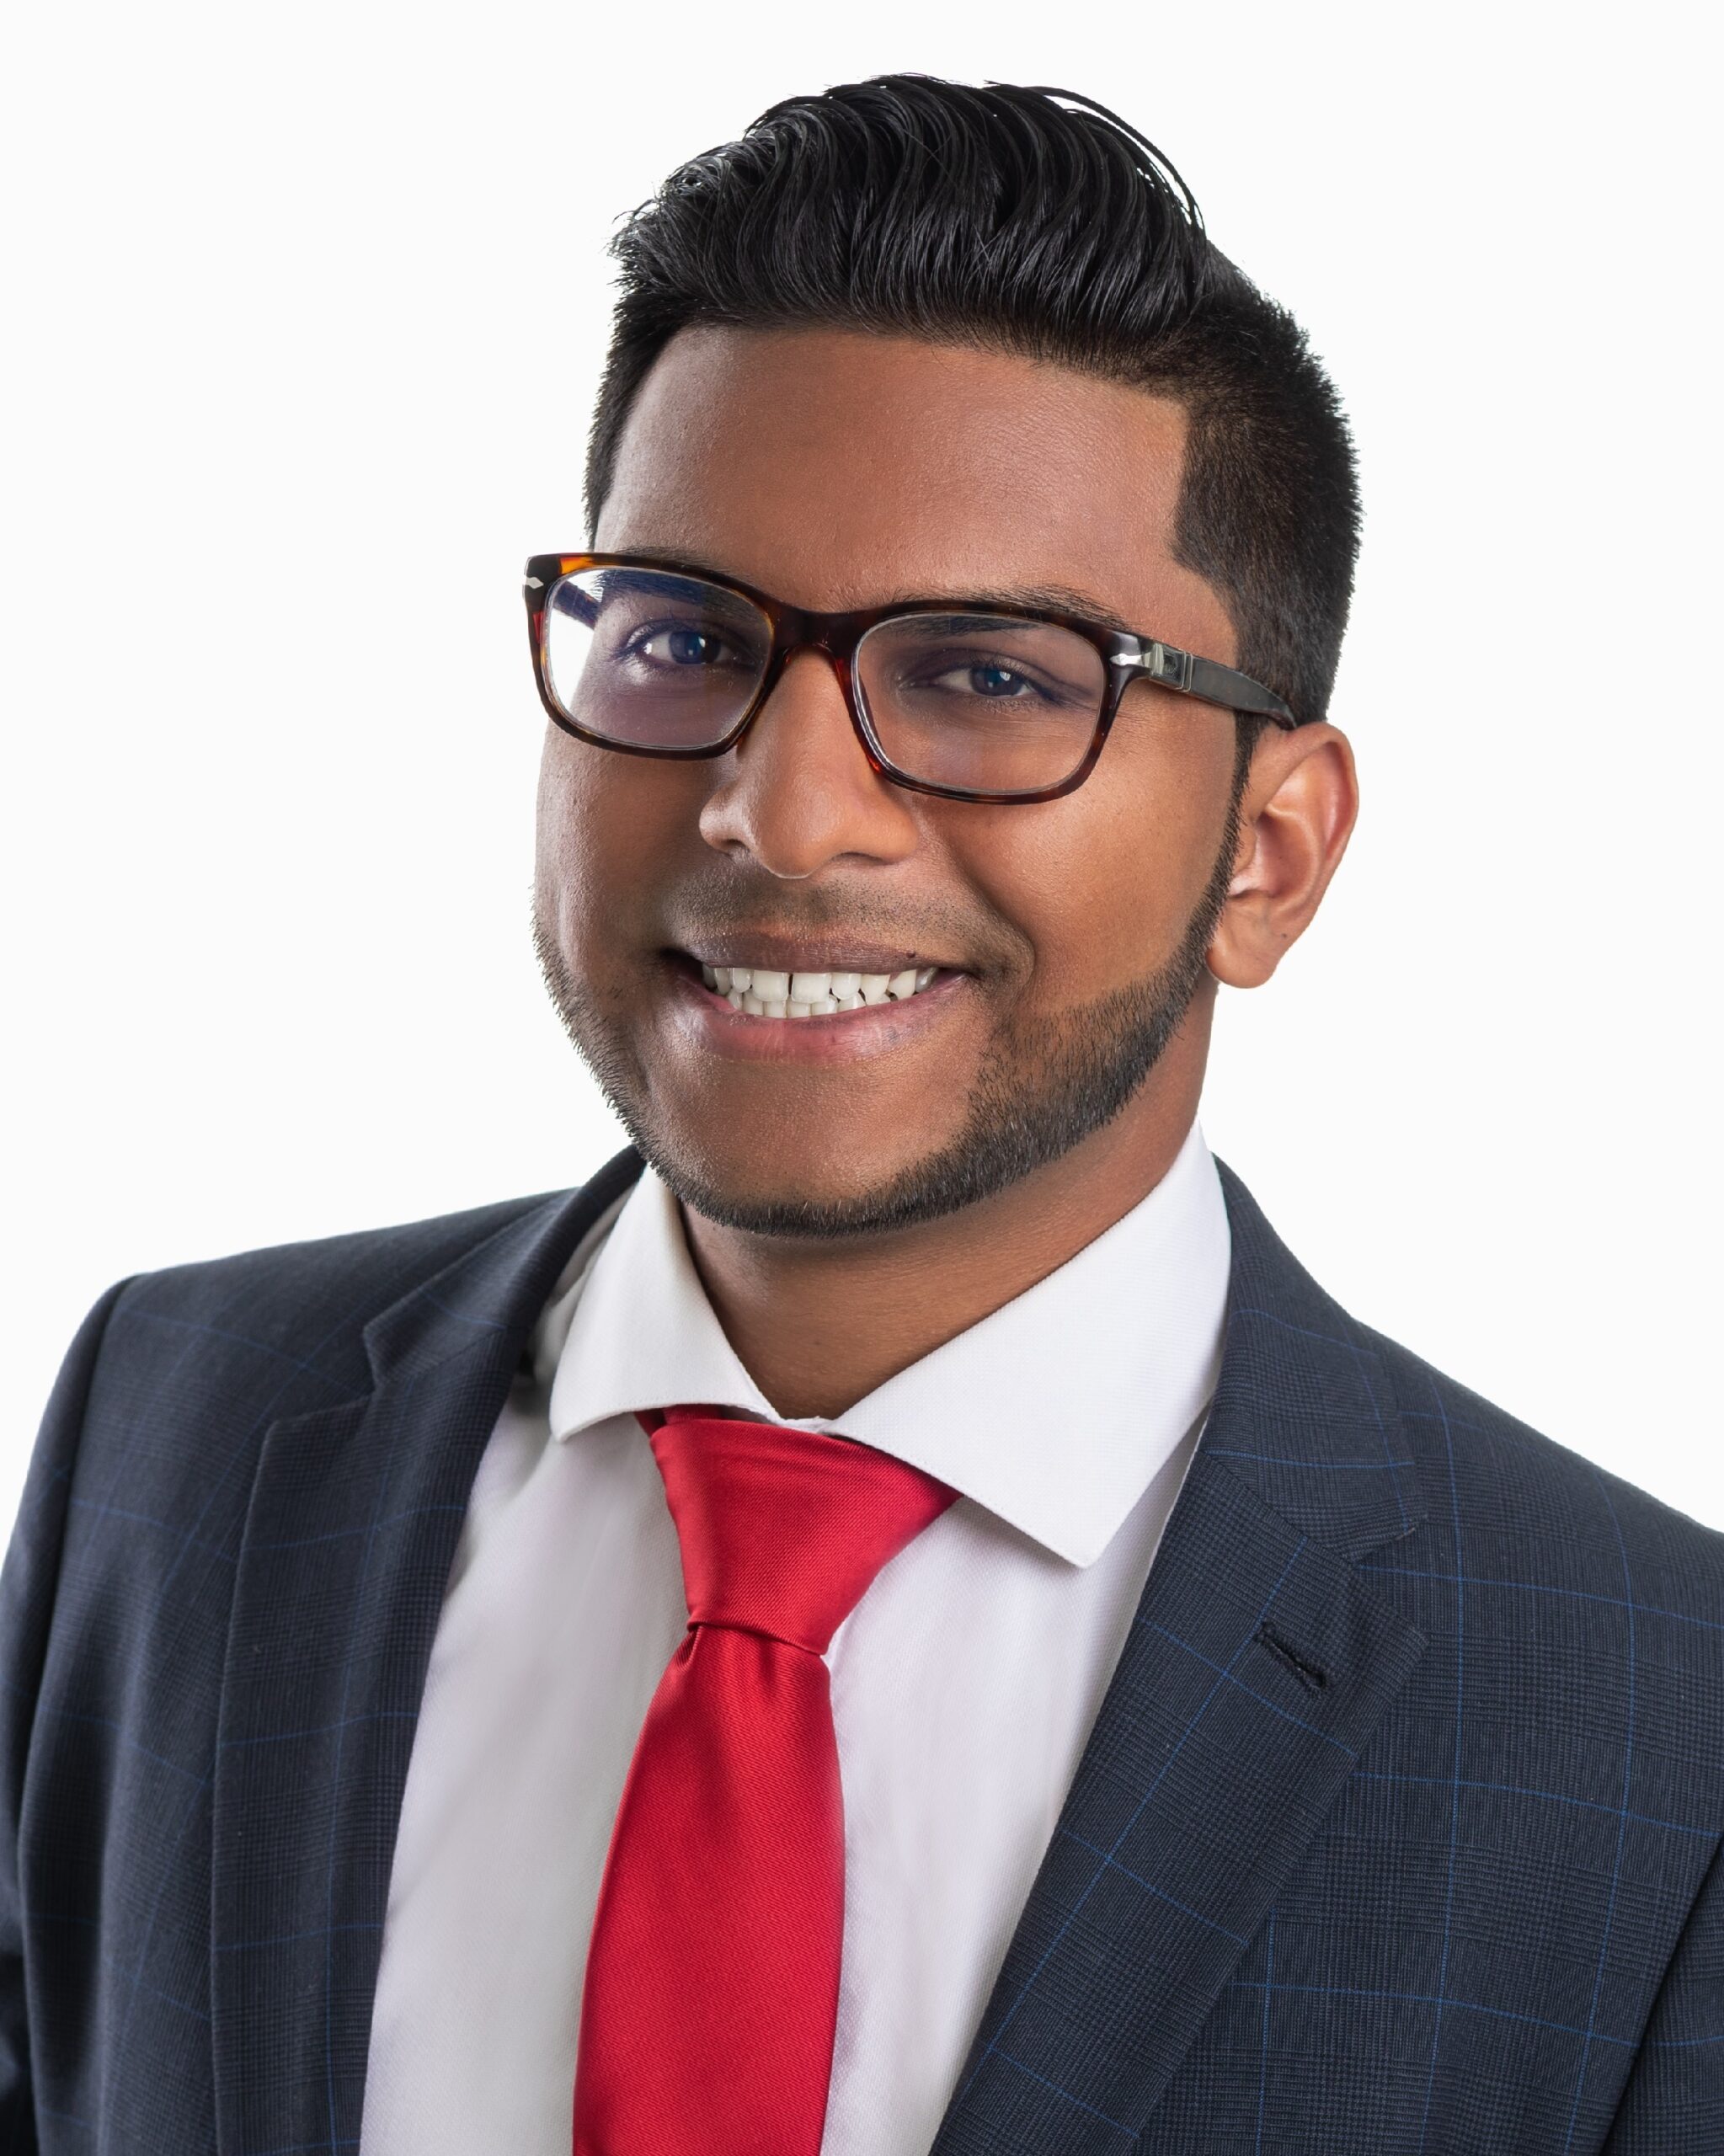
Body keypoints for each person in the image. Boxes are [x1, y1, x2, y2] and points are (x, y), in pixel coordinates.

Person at [3, 72, 1719, 2156]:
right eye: (680, 635)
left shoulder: (1654, 1729)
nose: (784, 810)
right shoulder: (173, 1425)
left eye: (990, 675)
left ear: (1267, 853)